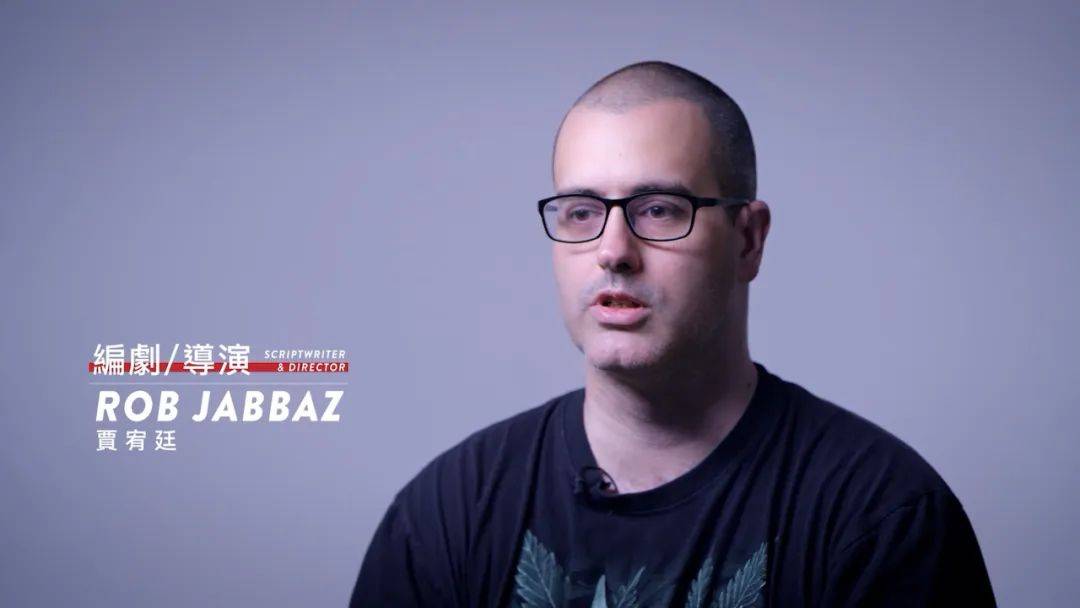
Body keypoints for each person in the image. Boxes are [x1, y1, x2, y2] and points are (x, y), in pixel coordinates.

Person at [349, 60, 996, 607]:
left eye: (658, 209)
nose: (613, 251)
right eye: (581, 212)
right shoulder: (448, 514)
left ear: (748, 239)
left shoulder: (881, 517)